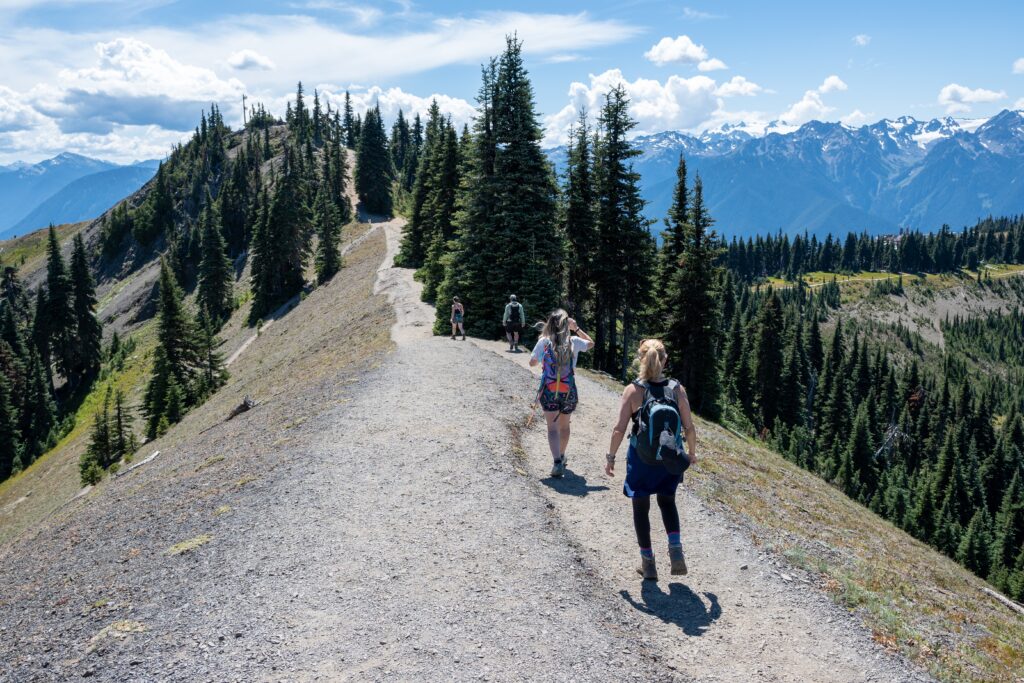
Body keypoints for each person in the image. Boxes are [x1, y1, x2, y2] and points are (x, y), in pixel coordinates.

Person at [605, 339, 697, 581]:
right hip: (670, 458)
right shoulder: (677, 389)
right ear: (664, 360)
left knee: (641, 508)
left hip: (642, 458)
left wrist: (611, 457)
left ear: (641, 359)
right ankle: (675, 550)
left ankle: (648, 564)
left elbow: (619, 428)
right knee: (668, 502)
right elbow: (689, 427)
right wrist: (692, 454)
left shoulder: (633, 390)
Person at [529, 309, 593, 478]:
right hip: (568, 390)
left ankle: (557, 462)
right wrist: (576, 328)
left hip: (549, 390)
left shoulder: (544, 341)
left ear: (550, 323)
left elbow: (532, 362)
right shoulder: (574, 340)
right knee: (564, 426)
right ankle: (562, 455)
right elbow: (591, 343)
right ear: (567, 324)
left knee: (552, 428)